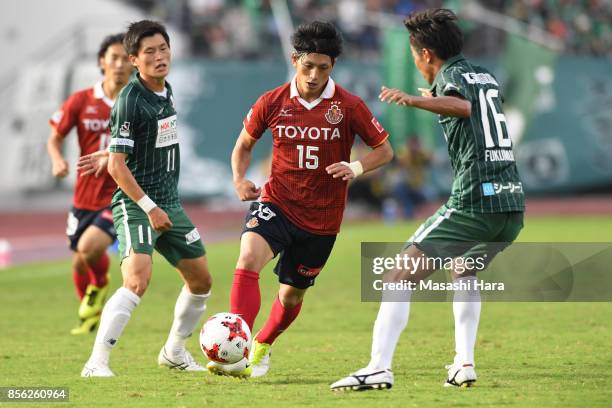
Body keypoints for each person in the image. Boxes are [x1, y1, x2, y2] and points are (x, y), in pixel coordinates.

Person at [331, 8, 525, 390]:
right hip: (511, 203)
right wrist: (435, 96)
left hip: (475, 201)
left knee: (398, 272)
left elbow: (462, 106)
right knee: (463, 269)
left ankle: (377, 367)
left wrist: (414, 100)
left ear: (425, 56)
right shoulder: (482, 74)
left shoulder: (450, 76)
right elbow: (476, 107)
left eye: (413, 55)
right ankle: (464, 363)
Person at [207, 21, 394, 378]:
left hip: (322, 219)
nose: (313, 75)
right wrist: (238, 179)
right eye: (308, 66)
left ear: (333, 66)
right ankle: (236, 347)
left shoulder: (349, 106)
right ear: (295, 60)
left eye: (322, 68)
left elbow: (384, 151)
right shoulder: (272, 101)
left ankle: (262, 345)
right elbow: (243, 146)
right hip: (276, 202)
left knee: (291, 296)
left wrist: (355, 168)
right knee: (247, 258)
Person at [80, 20, 213, 377]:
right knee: (137, 280)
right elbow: (118, 169)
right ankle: (97, 362)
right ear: (134, 60)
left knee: (201, 282)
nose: (159, 57)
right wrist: (149, 207)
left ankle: (174, 352)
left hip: (169, 202)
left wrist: (161, 205)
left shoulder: (165, 90)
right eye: (149, 52)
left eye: (163, 49)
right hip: (137, 203)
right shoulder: (129, 100)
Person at [47, 33, 132, 335]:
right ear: (102, 62)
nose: (120, 64)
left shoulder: (137, 102)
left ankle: (101, 285)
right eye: (114, 58)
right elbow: (55, 137)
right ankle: (90, 314)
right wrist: (58, 160)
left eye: (126, 58)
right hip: (84, 196)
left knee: (89, 248)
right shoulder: (82, 100)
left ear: (134, 63)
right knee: (79, 262)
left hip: (120, 194)